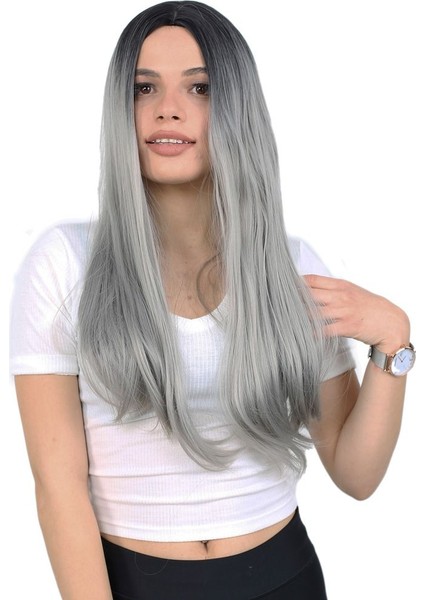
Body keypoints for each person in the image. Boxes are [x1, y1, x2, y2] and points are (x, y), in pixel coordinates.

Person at [9, 2, 415, 598]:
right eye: (144, 87)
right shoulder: (65, 264)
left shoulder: (291, 268)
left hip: (285, 575)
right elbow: (58, 488)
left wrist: (394, 342)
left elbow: (356, 474)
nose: (167, 108)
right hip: (136, 581)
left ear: (236, 110)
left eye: (199, 87)